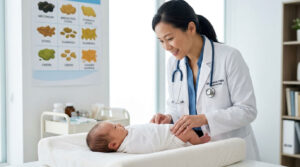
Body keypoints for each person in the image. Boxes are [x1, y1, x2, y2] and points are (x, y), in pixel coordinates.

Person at [150, 0, 260, 160]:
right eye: (161, 41)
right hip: (196, 150)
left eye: (170, 38)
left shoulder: (229, 57)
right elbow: (176, 107)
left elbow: (247, 110)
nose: (166, 47)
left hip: (232, 150)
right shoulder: (173, 64)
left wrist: (204, 119)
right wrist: (170, 118)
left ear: (191, 28)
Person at [86, 122, 210, 153]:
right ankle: (199, 144)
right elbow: (151, 145)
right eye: (115, 128)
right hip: (169, 139)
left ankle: (195, 141)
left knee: (186, 129)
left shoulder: (124, 134)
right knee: (188, 132)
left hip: (166, 130)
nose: (119, 125)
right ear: (113, 144)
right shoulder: (130, 145)